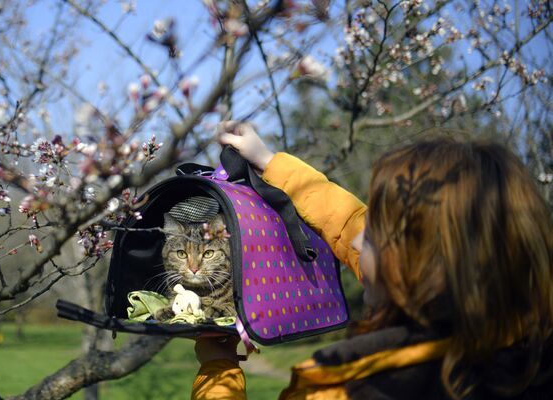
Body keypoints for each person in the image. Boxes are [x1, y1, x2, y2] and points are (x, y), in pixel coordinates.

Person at [191, 122, 553, 400]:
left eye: (379, 236)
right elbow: (350, 224)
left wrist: (217, 370)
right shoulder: (525, 345)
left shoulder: (351, 390)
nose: (360, 240)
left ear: (423, 269)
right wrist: (272, 164)